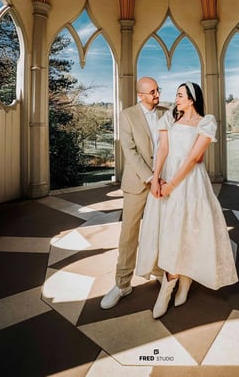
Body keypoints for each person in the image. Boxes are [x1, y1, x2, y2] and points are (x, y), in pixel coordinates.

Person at [136, 81, 238, 318]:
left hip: (190, 183)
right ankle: (172, 283)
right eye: (177, 95)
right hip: (167, 177)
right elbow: (162, 150)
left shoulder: (206, 121)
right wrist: (156, 179)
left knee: (188, 231)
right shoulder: (169, 119)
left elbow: (193, 158)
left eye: (181, 95)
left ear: (192, 99)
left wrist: (172, 185)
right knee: (169, 231)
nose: (176, 98)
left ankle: (182, 281)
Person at [100, 77, 167, 309]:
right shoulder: (128, 115)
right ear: (140, 95)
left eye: (158, 90)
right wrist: (151, 177)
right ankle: (122, 284)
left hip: (164, 183)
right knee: (129, 234)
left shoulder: (166, 113)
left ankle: (159, 271)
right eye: (152, 92)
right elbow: (129, 150)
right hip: (138, 183)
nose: (157, 95)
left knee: (160, 230)